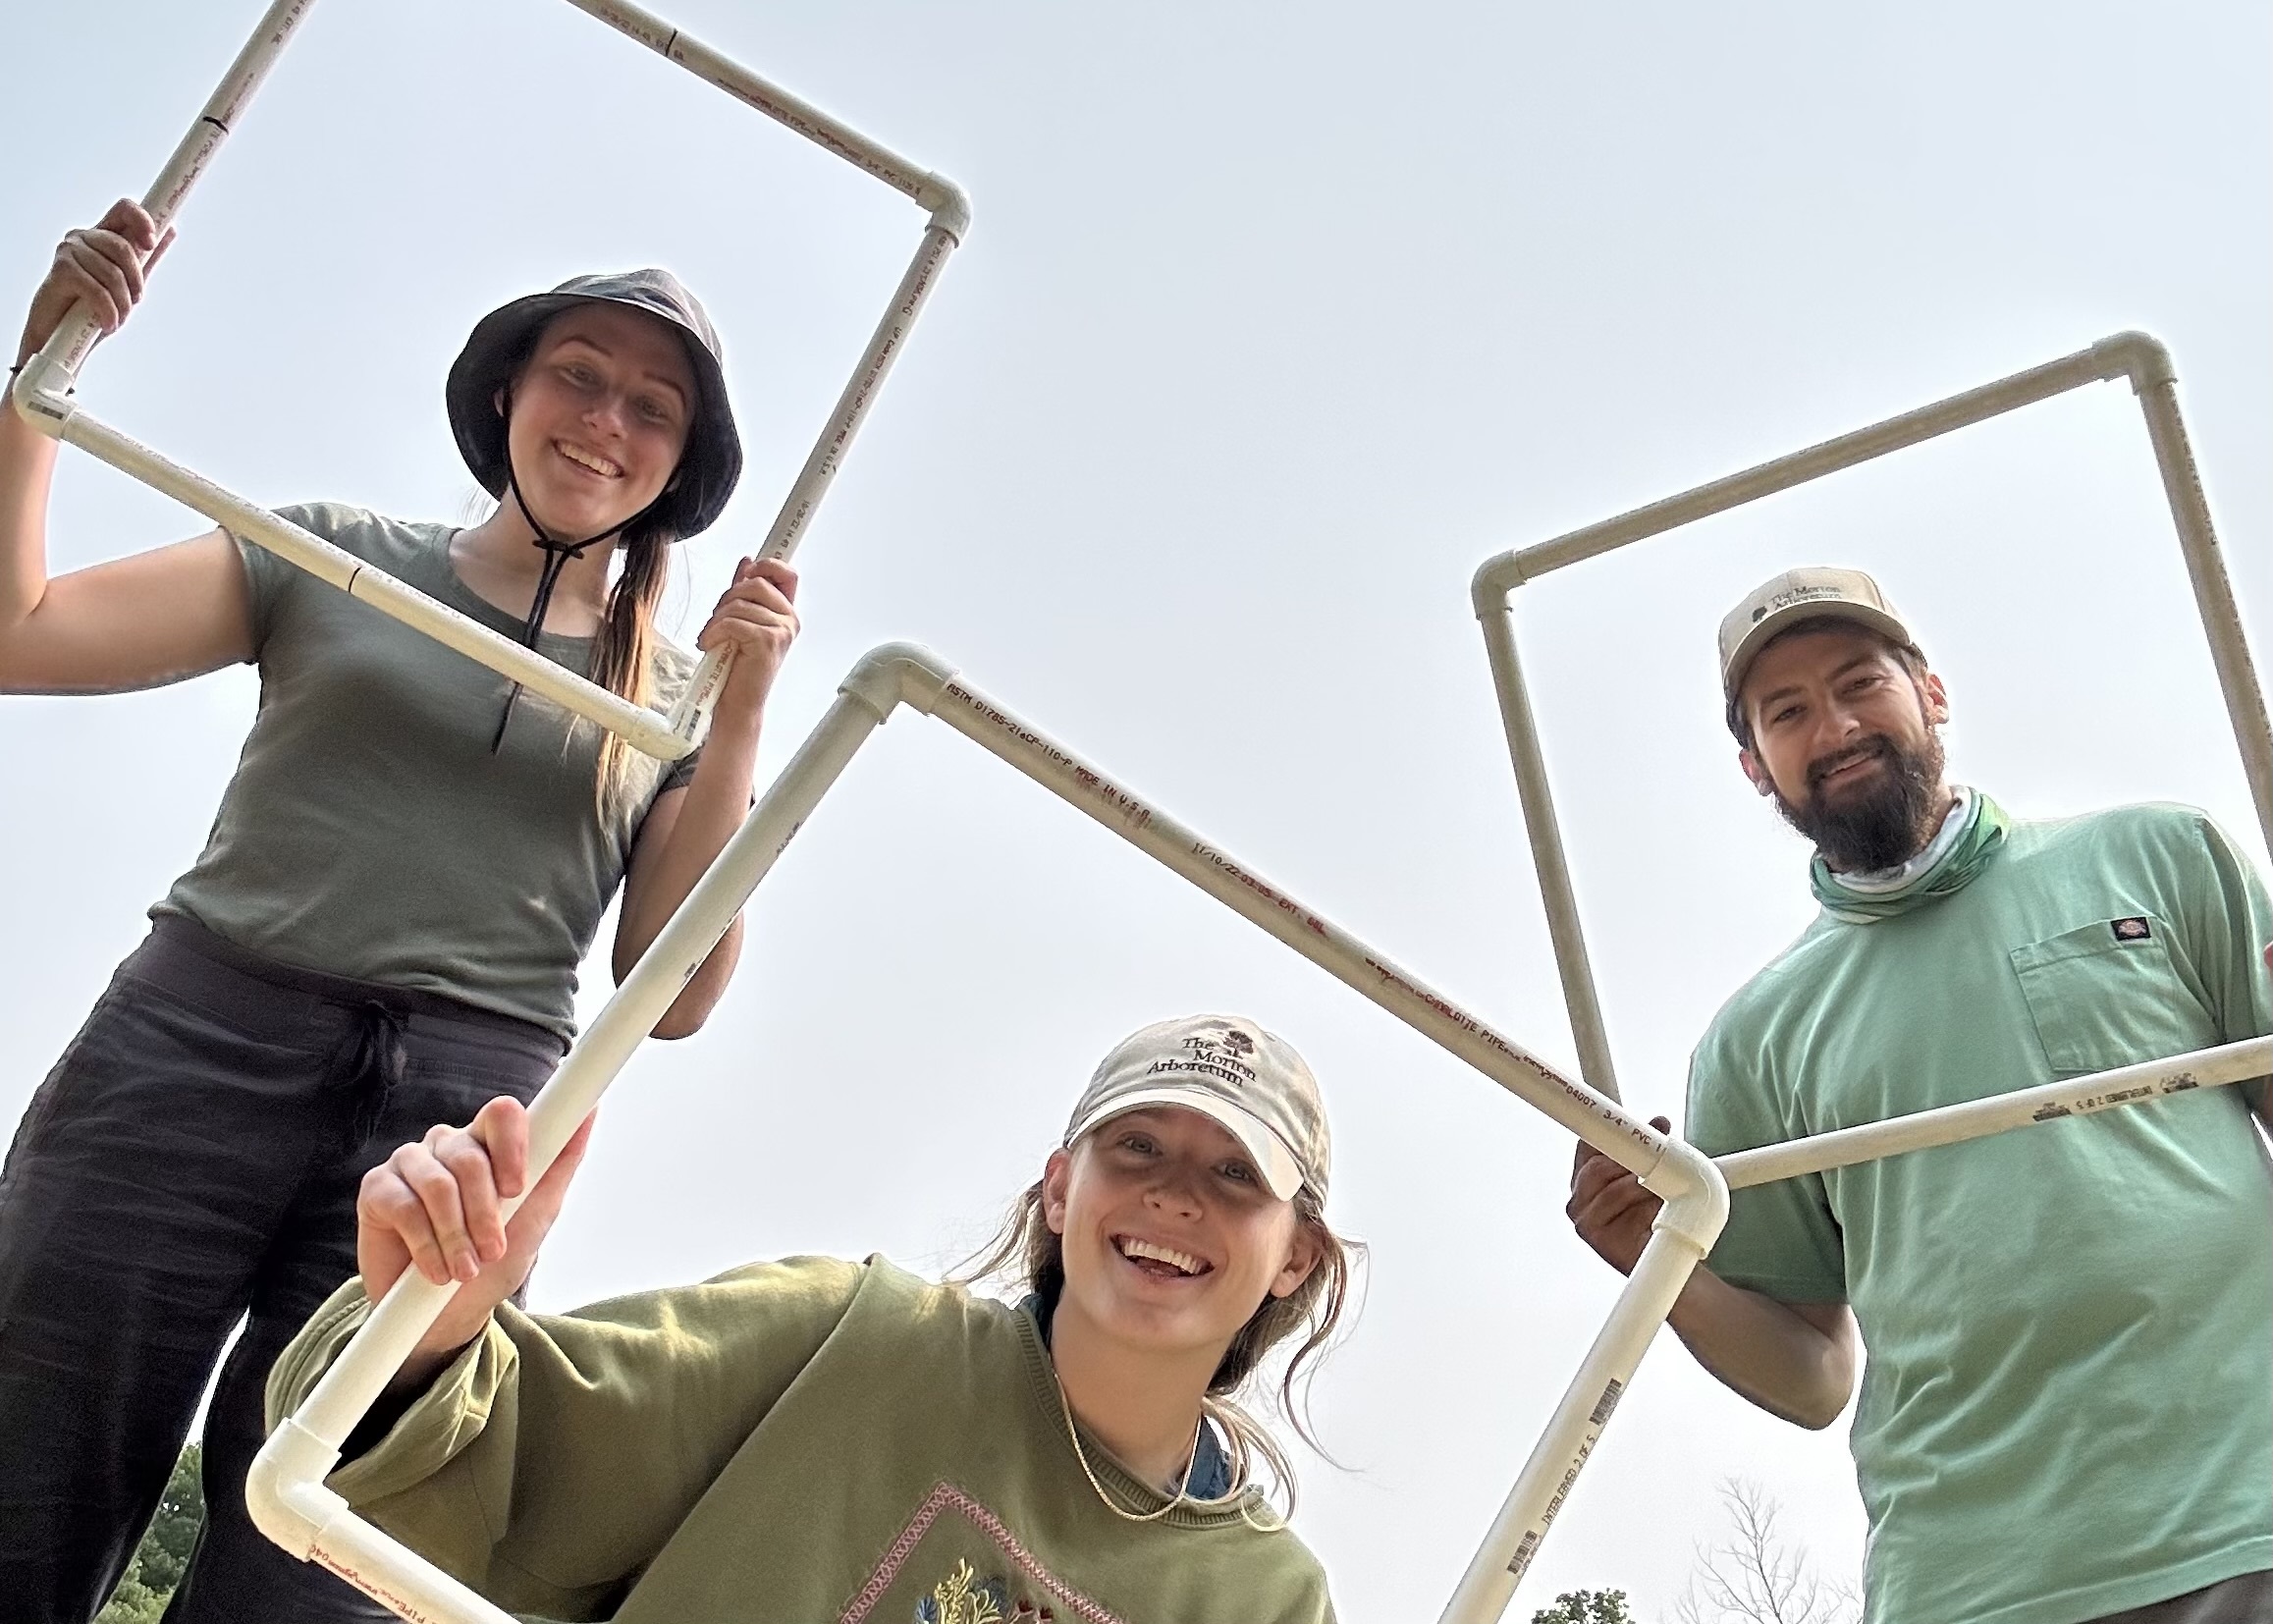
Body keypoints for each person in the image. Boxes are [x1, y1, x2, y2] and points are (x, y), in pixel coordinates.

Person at [0, 199, 802, 1623]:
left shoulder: (678, 698)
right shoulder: (331, 553)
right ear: (507, 393)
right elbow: (22, 635)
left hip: (460, 1129)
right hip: (198, 1034)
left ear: (678, 467)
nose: (604, 419)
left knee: (322, 1540)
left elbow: (672, 991)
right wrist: (37, 380)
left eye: (651, 406)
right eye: (578, 372)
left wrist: (738, 713)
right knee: (27, 1456)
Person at [1566, 567, 2273, 1624]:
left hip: (2243, 1521)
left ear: (1929, 692)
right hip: (1968, 1584)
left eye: (1860, 682)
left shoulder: (2164, 856)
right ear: (1754, 766)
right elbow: (1811, 1378)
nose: (1835, 725)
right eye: (1787, 712)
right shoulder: (1755, 1037)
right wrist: (1652, 1263)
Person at [266, 1012, 1359, 1622]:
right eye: (1138, 1146)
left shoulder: (1265, 1600)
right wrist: (435, 1319)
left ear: (1293, 1255)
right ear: (1061, 1188)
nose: (1174, 1194)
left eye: (1233, 1172)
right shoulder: (850, 1331)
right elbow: (480, 1474)